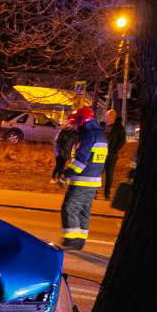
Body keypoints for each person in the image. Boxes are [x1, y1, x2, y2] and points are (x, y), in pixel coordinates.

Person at [58, 107, 109, 250]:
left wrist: (66, 174)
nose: (74, 125)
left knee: (69, 208)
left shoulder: (88, 136)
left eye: (75, 122)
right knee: (83, 210)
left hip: (82, 180)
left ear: (82, 121)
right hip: (94, 180)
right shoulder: (100, 135)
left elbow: (80, 161)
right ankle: (80, 240)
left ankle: (71, 240)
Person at [103, 109, 127, 200]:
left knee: (109, 174)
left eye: (109, 116)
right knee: (97, 173)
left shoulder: (119, 128)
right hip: (100, 154)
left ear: (114, 117)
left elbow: (122, 141)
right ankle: (95, 192)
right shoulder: (102, 126)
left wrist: (114, 150)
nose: (107, 117)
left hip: (111, 155)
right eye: (106, 116)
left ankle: (107, 193)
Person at [51, 116, 78, 183]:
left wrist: (72, 153)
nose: (71, 125)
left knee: (62, 165)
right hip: (60, 151)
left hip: (67, 151)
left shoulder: (74, 133)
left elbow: (74, 143)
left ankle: (57, 177)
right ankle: (54, 177)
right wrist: (58, 151)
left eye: (72, 124)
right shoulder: (63, 131)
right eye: (70, 124)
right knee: (59, 165)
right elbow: (57, 141)